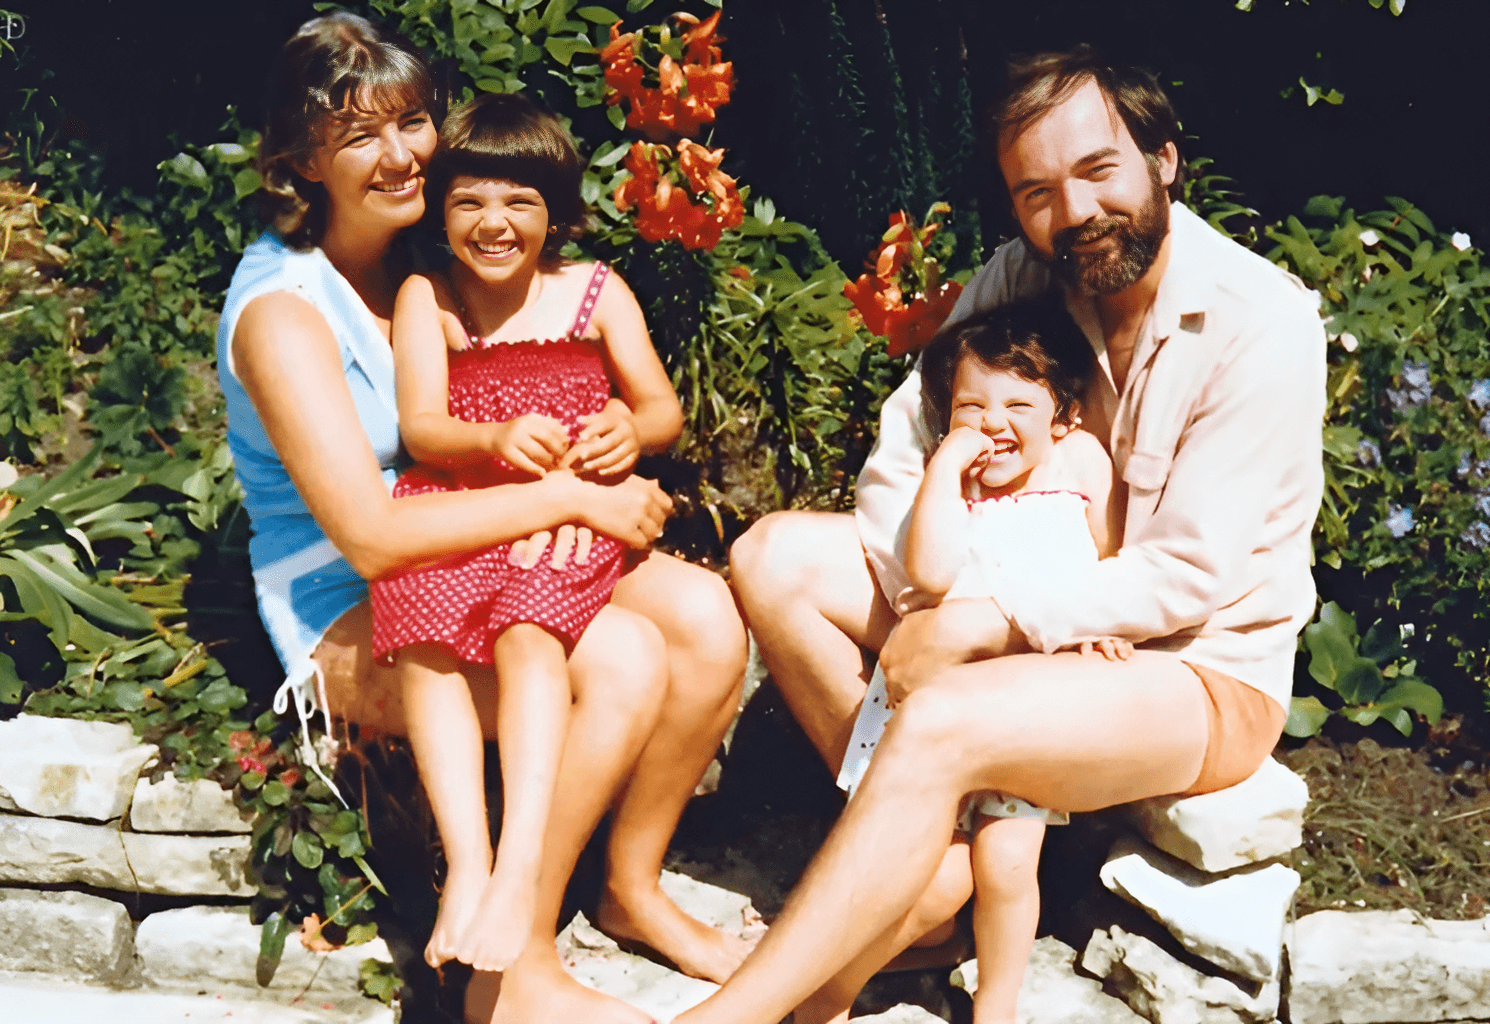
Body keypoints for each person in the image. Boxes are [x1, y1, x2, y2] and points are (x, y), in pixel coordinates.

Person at [689, 44, 1325, 1024]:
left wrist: (988, 622)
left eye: (1097, 170)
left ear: (1162, 159)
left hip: (1191, 671)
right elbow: (901, 458)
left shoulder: (1258, 322)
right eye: (1036, 192)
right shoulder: (1021, 280)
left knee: (942, 717)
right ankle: (932, 866)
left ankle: (747, 1012)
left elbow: (1187, 574)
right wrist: (934, 602)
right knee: (772, 557)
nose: (1074, 212)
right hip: (1018, 615)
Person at [217, 14, 747, 1024]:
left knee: (708, 622)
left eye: (412, 121)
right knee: (625, 658)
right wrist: (573, 497)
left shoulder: (417, 254)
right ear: (300, 161)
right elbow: (371, 536)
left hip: (482, 530)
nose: (402, 154)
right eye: (360, 135)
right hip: (349, 591)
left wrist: (601, 447)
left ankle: (629, 887)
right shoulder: (284, 313)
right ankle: (514, 968)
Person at [366, 91, 685, 974]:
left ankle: (518, 866)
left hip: (568, 515)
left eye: (520, 202)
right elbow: (422, 426)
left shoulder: (594, 292)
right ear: (440, 212)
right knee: (421, 626)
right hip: (467, 502)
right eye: (468, 201)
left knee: (527, 634)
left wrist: (630, 426)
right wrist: (490, 438)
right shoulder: (429, 295)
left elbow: (662, 407)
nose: (493, 223)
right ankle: (466, 868)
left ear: (557, 213)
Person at [836, 299, 1125, 1024]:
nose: (992, 423)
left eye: (1019, 405)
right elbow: (930, 573)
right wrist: (944, 468)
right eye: (972, 407)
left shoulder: (1081, 464)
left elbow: (1112, 560)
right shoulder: (955, 484)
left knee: (1007, 861)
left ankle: (997, 1002)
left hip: (1022, 703)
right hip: (934, 705)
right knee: (903, 858)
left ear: (1064, 416)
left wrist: (1104, 625)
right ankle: (829, 978)